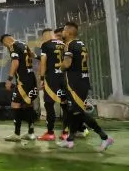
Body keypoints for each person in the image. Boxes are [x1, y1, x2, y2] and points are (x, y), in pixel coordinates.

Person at [57, 22, 114, 151]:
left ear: (69, 32)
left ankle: (105, 137)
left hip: (75, 84)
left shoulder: (69, 45)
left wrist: (59, 66)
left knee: (78, 113)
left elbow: (66, 64)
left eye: (64, 31)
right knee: (73, 112)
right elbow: (85, 58)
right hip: (82, 81)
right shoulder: (81, 44)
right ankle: (70, 140)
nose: (62, 33)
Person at [0, 34, 38, 141]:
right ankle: (31, 133)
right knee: (28, 103)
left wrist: (9, 79)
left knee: (15, 104)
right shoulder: (24, 44)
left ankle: (16, 134)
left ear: (6, 41)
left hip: (23, 81)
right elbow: (32, 55)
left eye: (4, 45)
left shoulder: (13, 46)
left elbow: (15, 62)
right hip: (31, 78)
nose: (6, 48)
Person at [36, 28, 66, 141]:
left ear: (45, 36)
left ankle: (50, 132)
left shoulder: (46, 45)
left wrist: (42, 78)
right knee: (65, 105)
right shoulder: (64, 44)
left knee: (49, 105)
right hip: (63, 78)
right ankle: (65, 133)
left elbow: (43, 63)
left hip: (51, 79)